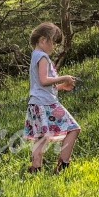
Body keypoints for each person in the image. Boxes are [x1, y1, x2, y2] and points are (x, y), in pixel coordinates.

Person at [23, 22, 80, 174]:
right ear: (43, 40)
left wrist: (60, 87)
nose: (54, 47)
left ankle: (35, 169)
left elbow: (40, 85)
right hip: (47, 104)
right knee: (73, 128)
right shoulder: (42, 57)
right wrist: (64, 78)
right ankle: (63, 166)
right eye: (53, 42)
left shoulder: (35, 56)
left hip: (36, 103)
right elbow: (44, 80)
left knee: (41, 138)